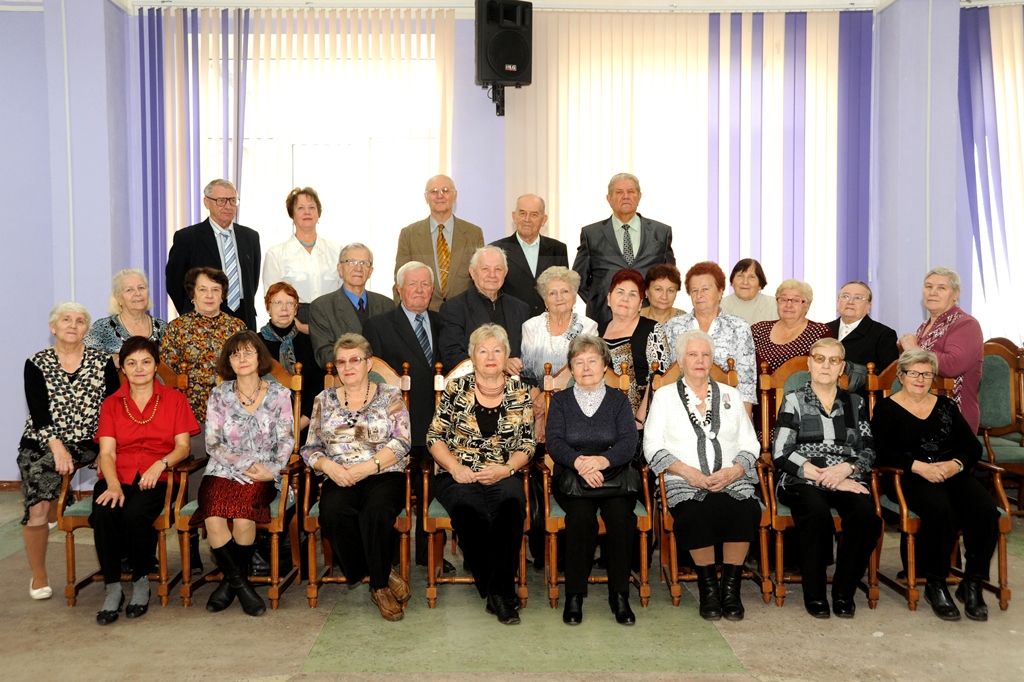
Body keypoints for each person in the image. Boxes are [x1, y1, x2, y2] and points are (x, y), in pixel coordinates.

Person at [871, 349, 998, 622]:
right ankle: (936, 583)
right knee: (941, 511)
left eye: (927, 374)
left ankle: (972, 582)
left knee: (986, 510)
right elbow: (880, 452)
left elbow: (971, 446)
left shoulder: (946, 407)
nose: (920, 379)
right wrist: (920, 467)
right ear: (901, 376)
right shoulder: (886, 409)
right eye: (914, 373)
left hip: (951, 472)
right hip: (908, 476)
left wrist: (956, 465)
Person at [644, 330, 761, 621]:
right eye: (692, 354)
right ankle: (709, 589)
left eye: (705, 355)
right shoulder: (664, 396)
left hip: (732, 479)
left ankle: (730, 590)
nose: (699, 360)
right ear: (681, 361)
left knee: (744, 509)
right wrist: (687, 472)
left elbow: (751, 443)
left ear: (712, 360)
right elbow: (651, 446)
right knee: (696, 512)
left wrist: (735, 471)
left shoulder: (731, 394)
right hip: (684, 481)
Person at [427, 324, 535, 625]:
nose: (490, 357)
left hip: (503, 471)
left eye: (497, 350)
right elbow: (434, 437)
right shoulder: (455, 389)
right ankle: (500, 592)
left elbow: (528, 444)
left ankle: (494, 592)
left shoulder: (520, 393)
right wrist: (455, 468)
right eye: (483, 351)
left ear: (506, 356)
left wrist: (506, 469)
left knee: (511, 507)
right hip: (457, 472)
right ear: (472, 356)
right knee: (468, 511)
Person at [301, 334, 412, 621]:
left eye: (355, 360)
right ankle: (382, 571)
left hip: (383, 473)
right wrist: (330, 468)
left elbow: (402, 442)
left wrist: (369, 467)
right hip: (340, 476)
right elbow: (310, 449)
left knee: (375, 512)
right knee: (332, 513)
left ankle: (379, 588)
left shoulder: (390, 395)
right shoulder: (323, 399)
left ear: (368, 363)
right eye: (341, 362)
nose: (348, 366)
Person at [91, 336, 199, 624]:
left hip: (160, 476)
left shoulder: (174, 399)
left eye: (146, 362)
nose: (139, 369)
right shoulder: (112, 404)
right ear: (123, 368)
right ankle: (113, 588)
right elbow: (107, 453)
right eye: (132, 363)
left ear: (156, 365)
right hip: (118, 474)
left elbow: (183, 447)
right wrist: (113, 485)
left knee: (135, 513)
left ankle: (140, 582)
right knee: (103, 511)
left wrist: (159, 465)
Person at [771, 338, 880, 619]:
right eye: (819, 359)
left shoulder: (855, 403)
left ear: (842, 367)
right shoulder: (794, 400)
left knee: (866, 517)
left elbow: (868, 449)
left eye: (833, 360)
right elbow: (781, 452)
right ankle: (815, 594)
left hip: (846, 476)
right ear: (809, 363)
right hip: (802, 478)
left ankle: (844, 592)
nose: (826, 365)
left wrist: (846, 470)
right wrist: (826, 477)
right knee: (816, 513)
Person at [19, 303, 119, 600]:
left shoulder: (102, 362)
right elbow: (39, 412)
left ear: (86, 330)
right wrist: (57, 447)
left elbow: (112, 408)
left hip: (87, 441)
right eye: (66, 320)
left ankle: (55, 500)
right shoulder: (36, 363)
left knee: (47, 478)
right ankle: (39, 575)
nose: (73, 325)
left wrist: (106, 448)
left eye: (79, 321)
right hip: (42, 439)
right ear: (53, 327)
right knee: (38, 498)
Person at [194, 331, 295, 617]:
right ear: (228, 361)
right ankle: (241, 586)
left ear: (259, 356)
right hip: (222, 469)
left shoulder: (280, 394)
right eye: (235, 354)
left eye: (248, 352)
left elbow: (286, 440)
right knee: (213, 515)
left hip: (262, 472)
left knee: (242, 516)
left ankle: (229, 584)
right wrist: (242, 465)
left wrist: (270, 470)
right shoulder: (219, 394)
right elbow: (213, 443)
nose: (242, 359)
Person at [546, 336, 639, 626]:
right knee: (581, 518)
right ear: (571, 369)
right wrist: (579, 463)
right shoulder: (560, 401)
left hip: (614, 477)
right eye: (579, 362)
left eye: (592, 361)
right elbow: (554, 442)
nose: (586, 368)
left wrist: (602, 461)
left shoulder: (618, 401)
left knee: (620, 517)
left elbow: (629, 442)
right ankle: (574, 595)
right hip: (573, 478)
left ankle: (619, 595)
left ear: (604, 366)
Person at [362, 261, 442, 566]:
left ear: (432, 290)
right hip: (398, 427)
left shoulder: (442, 321)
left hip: (438, 424)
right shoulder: (378, 326)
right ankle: (393, 555)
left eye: (425, 284)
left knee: (433, 491)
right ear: (399, 289)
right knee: (396, 489)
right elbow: (374, 382)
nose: (420, 290)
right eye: (412, 284)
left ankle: (428, 555)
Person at [573, 173, 675, 326]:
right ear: (609, 199)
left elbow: (670, 277)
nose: (626, 196)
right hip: (604, 318)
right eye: (619, 192)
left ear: (639, 197)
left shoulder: (661, 232)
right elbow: (578, 279)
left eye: (631, 192)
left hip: (650, 318)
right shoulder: (591, 234)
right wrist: (600, 300)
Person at [663, 262, 756, 418]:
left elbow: (746, 383)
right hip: (681, 410)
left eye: (705, 289)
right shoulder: (673, 326)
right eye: (694, 290)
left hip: (726, 409)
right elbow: (667, 376)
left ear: (720, 292)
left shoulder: (739, 327)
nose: (699, 295)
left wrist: (744, 422)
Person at [166, 179, 262, 330]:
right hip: (202, 320)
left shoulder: (250, 237)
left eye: (232, 200)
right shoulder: (187, 238)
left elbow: (252, 281)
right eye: (221, 201)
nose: (228, 206)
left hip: (244, 317)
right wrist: (192, 312)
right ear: (206, 202)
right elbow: (174, 283)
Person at [899, 267, 984, 432]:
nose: (933, 292)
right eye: (928, 286)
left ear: (956, 294)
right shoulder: (924, 327)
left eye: (941, 288)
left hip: (955, 415)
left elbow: (953, 365)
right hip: (922, 411)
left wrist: (915, 349)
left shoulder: (966, 324)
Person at [160, 267, 247, 424]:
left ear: (222, 296)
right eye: (202, 289)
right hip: (187, 413)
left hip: (232, 412)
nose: (209, 295)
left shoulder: (237, 327)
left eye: (215, 290)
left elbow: (248, 369)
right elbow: (167, 376)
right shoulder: (176, 328)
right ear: (192, 295)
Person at [393, 174, 485, 312]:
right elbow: (400, 282)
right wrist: (403, 318)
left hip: (463, 315)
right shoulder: (409, 234)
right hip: (423, 315)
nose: (439, 195)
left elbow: (480, 279)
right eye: (434, 191)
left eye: (445, 190)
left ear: (455, 196)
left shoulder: (473, 234)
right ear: (426, 198)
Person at [438, 245, 531, 374]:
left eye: (498, 269)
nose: (492, 275)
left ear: (505, 273)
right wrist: (500, 364)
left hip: (514, 384)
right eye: (485, 269)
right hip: (472, 383)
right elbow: (451, 356)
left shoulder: (520, 309)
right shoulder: (454, 308)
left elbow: (527, 355)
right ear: (472, 272)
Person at [261, 187, 341, 328]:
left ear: (318, 213)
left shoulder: (337, 251)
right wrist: (297, 325)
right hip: (292, 322)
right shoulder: (275, 254)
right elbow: (272, 299)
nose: (307, 212)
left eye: (312, 207)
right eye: (300, 208)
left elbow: (345, 293)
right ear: (292, 214)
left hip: (332, 322)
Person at [308, 243, 392, 370]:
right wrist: (358, 364)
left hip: (383, 377)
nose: (358, 268)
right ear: (340, 268)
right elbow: (324, 355)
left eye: (364, 263)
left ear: (370, 271)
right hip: (344, 378)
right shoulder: (322, 307)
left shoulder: (386, 305)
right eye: (352, 262)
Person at [599, 268, 668, 419]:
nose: (625, 299)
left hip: (641, 418)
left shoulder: (652, 329)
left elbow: (659, 377)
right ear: (609, 298)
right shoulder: (596, 331)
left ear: (640, 304)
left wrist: (640, 418)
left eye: (632, 294)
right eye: (620, 292)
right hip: (602, 417)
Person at [258, 281, 325, 431]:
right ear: (268, 308)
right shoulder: (254, 344)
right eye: (278, 303)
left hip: (306, 424)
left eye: (290, 303)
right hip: (263, 427)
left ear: (296, 309)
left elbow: (318, 387)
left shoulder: (310, 343)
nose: (284, 308)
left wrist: (300, 424)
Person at [489, 194, 569, 317]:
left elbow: (565, 289)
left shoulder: (557, 249)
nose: (527, 219)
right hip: (511, 321)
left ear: (544, 220)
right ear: (514, 217)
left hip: (549, 322)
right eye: (522, 213)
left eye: (534, 215)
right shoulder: (496, 250)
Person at [520, 266, 599, 387]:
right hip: (539, 395)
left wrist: (556, 393)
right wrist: (537, 395)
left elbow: (590, 368)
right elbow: (527, 374)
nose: (559, 298)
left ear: (574, 297)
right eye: (552, 293)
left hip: (578, 392)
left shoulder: (588, 327)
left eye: (565, 291)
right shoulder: (531, 327)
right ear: (545, 301)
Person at [826, 280, 899, 394]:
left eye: (858, 298)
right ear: (838, 303)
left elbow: (887, 377)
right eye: (845, 296)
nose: (850, 302)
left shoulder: (883, 334)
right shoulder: (823, 330)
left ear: (868, 307)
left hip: (862, 398)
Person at [84, 269, 167, 366]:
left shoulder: (163, 327)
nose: (137, 293)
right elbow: (87, 361)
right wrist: (108, 359)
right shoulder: (101, 328)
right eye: (129, 290)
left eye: (141, 288)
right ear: (118, 297)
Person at [750, 279, 833, 375]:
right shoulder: (758, 330)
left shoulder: (820, 333)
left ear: (807, 306)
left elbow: (829, 370)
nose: (788, 305)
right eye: (783, 300)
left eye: (796, 301)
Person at [721, 258, 778, 325]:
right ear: (732, 282)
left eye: (751, 277)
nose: (745, 282)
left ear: (760, 284)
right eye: (740, 276)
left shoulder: (775, 306)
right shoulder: (720, 307)